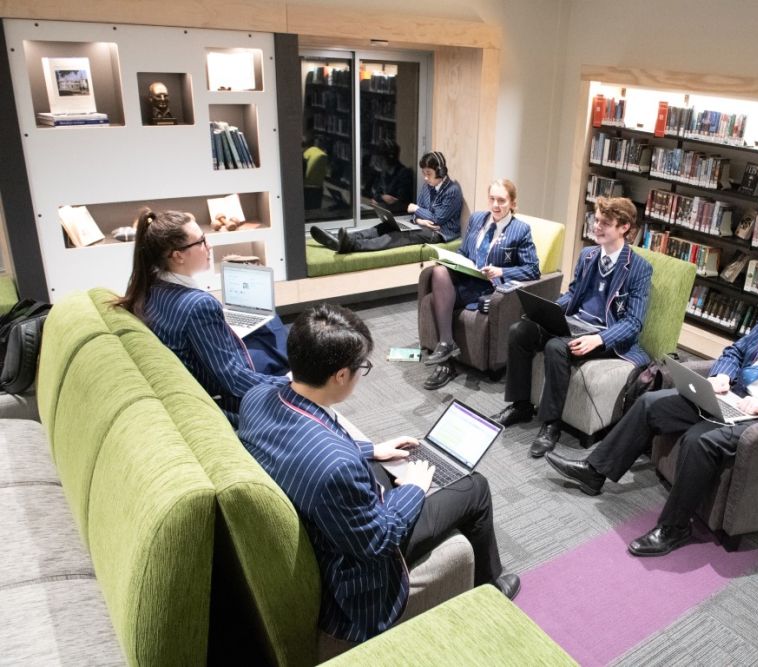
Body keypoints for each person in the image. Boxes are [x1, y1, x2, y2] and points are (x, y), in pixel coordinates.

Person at [544, 252, 758, 558]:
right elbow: (736, 352)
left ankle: (674, 528)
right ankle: (595, 471)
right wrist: (723, 376)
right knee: (651, 403)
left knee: (701, 440)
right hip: (731, 396)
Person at [238, 303, 520, 644]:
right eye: (362, 367)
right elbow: (379, 540)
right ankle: (490, 584)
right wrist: (414, 490)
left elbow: (296, 448)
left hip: (322, 513)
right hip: (355, 578)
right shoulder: (336, 465)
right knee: (475, 487)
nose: (361, 374)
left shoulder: (256, 397)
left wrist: (372, 451)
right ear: (341, 375)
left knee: (398, 466)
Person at [490, 196, 652, 457]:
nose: (596, 227)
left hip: (604, 337)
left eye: (605, 223)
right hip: (573, 324)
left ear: (624, 227)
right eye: (596, 220)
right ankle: (520, 406)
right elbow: (573, 295)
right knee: (520, 330)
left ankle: (551, 424)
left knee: (556, 347)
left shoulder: (639, 269)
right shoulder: (588, 255)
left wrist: (598, 340)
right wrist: (548, 310)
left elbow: (634, 322)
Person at [113, 208, 288, 426]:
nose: (209, 246)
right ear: (177, 255)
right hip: (225, 394)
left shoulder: (151, 284)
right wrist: (290, 386)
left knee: (265, 320)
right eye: (202, 241)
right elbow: (234, 380)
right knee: (273, 329)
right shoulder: (198, 305)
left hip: (205, 360)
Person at [423, 178, 540, 390]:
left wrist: (501, 271)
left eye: (502, 200)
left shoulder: (520, 230)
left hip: (488, 288)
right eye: (492, 199)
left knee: (439, 297)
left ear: (513, 203)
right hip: (467, 278)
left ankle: (446, 363)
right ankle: (446, 344)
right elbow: (464, 252)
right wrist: (454, 261)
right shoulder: (477, 218)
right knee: (439, 272)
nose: (496, 205)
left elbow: (533, 269)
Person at [310, 151, 462, 254]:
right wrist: (420, 218)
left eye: (429, 174)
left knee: (398, 236)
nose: (426, 178)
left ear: (441, 172)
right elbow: (419, 214)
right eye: (424, 174)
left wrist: (415, 208)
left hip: (440, 233)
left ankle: (352, 246)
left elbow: (437, 219)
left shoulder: (452, 191)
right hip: (422, 224)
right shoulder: (428, 186)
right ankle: (342, 238)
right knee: (385, 226)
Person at [368, 139, 415, 215]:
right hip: (386, 213)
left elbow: (401, 201)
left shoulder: (404, 174)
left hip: (400, 215)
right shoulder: (384, 173)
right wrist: (383, 198)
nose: (378, 162)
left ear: (389, 159)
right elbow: (375, 194)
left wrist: (381, 198)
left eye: (381, 159)